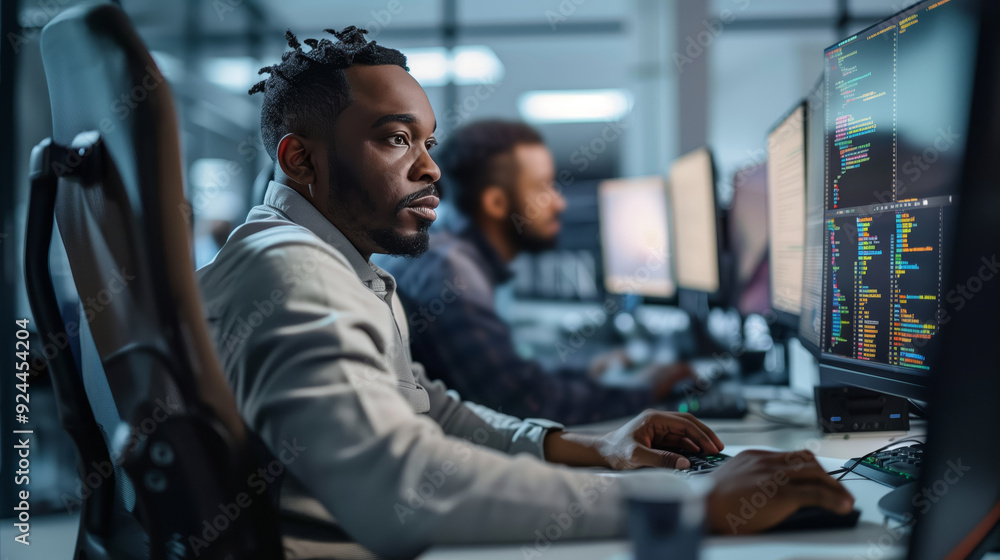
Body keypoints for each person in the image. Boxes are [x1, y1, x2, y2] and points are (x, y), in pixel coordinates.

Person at [197, 27, 854, 559]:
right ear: (299, 160)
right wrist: (697, 504)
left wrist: (587, 445)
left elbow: (434, 412)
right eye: (395, 139)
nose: (428, 167)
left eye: (427, 142)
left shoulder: (333, 265)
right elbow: (398, 489)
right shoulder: (293, 274)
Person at [380, 120, 692, 425]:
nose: (559, 204)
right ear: (496, 203)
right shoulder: (448, 270)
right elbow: (525, 401)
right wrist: (649, 391)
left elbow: (511, 376)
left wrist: (589, 374)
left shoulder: (448, 253)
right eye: (544, 187)